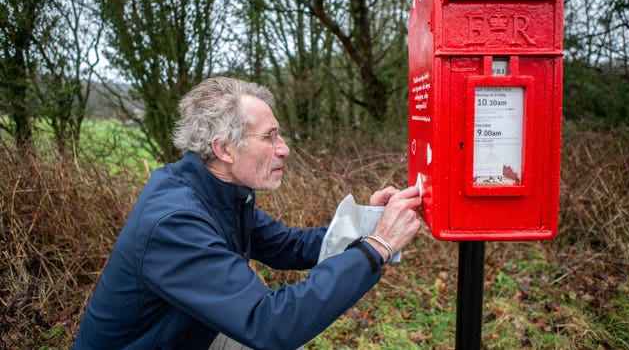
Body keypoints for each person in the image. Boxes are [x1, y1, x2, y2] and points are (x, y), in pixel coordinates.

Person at [73, 77, 422, 350]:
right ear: (224, 148)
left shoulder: (219, 193)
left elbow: (289, 246)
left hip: (189, 335)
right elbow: (268, 324)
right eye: (270, 137)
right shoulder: (176, 222)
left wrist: (370, 223)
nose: (284, 148)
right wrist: (376, 247)